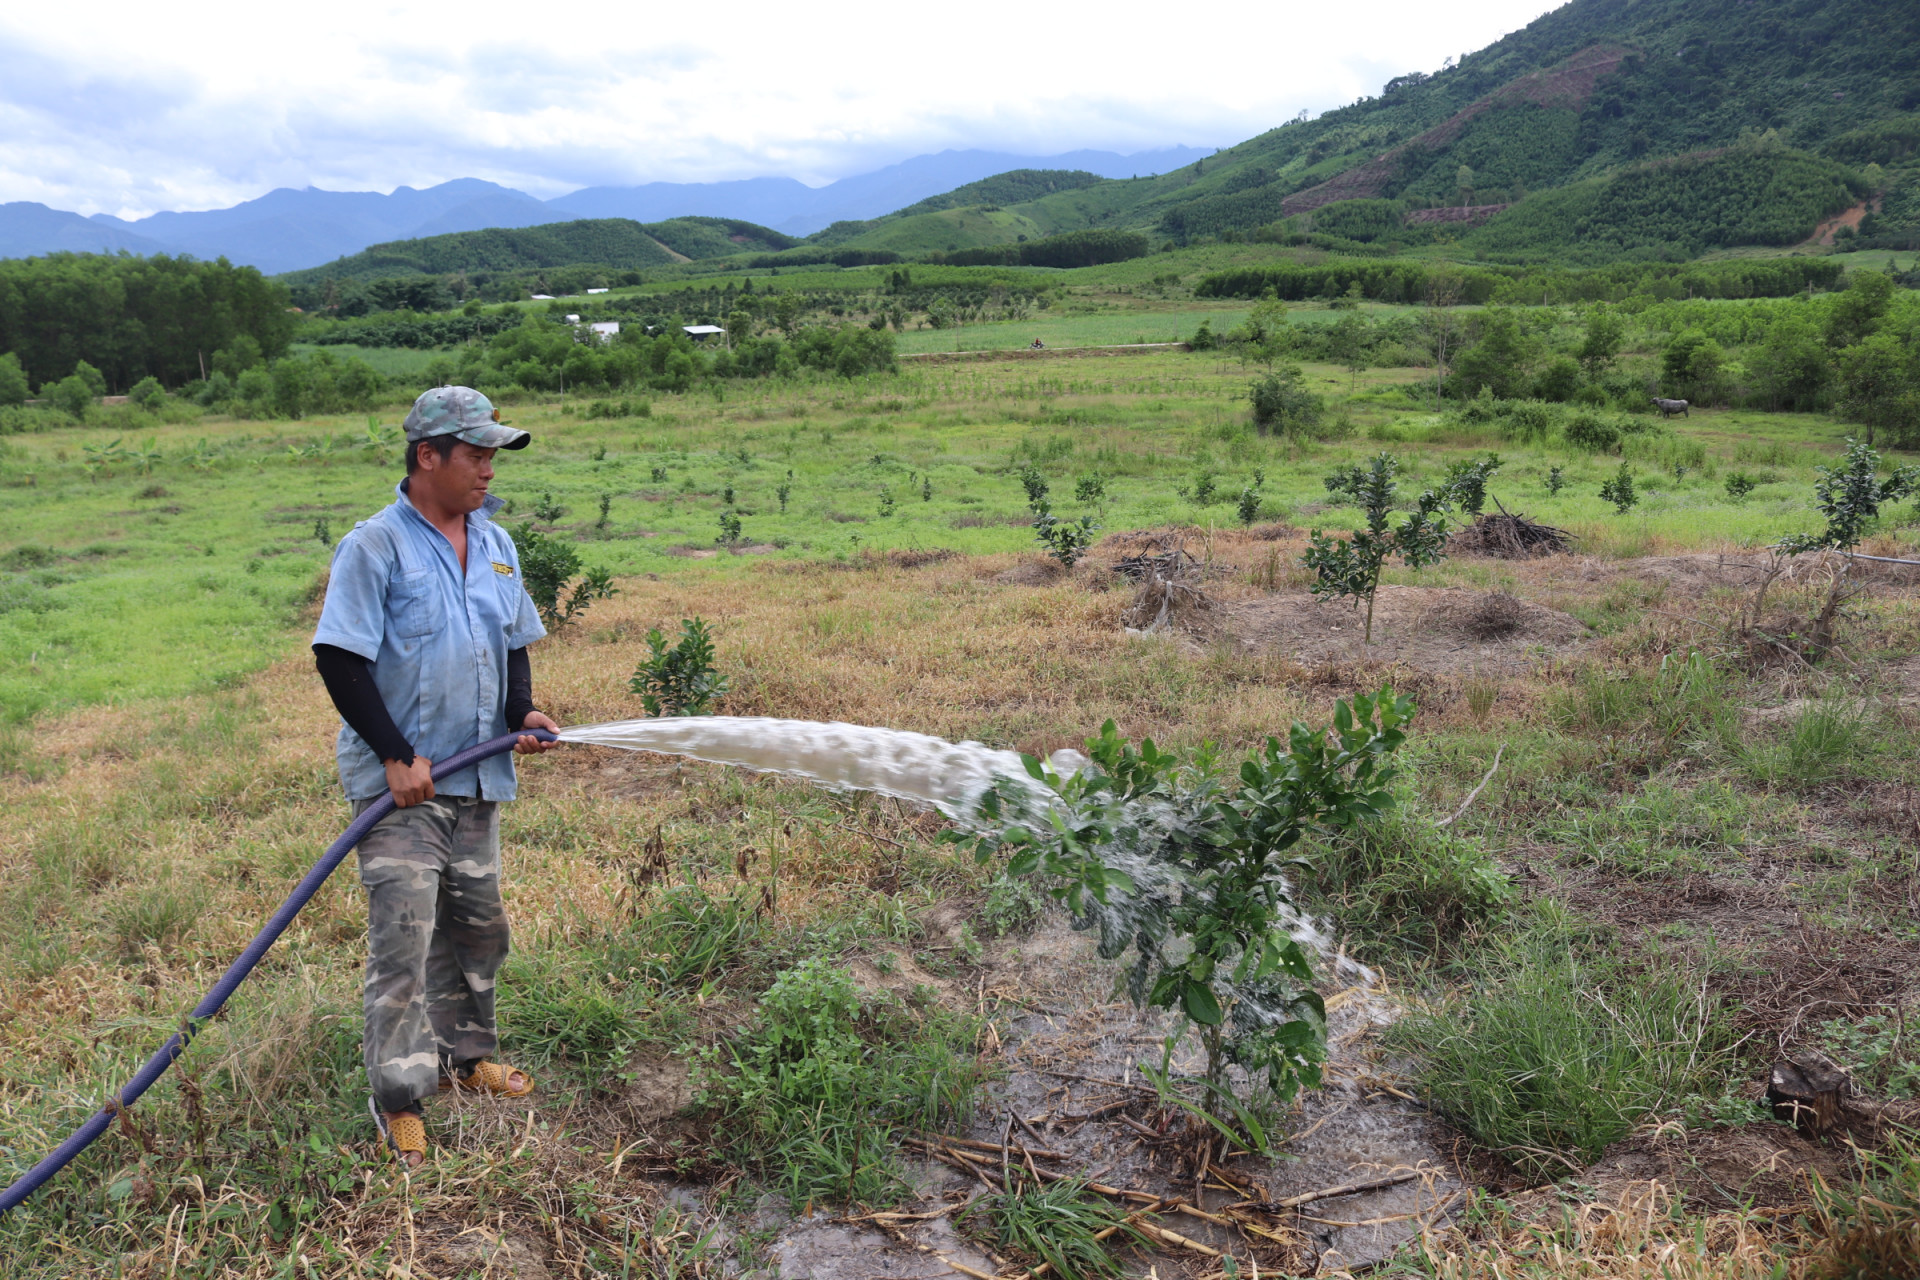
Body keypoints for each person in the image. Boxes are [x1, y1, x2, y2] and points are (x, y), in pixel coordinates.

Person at [311, 385, 560, 1168]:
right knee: (406, 939)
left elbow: (513, 637)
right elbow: (339, 657)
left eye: (493, 455)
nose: (489, 469)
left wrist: (521, 715)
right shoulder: (374, 546)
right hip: (404, 792)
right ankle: (400, 1098)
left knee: (478, 927)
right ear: (429, 456)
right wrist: (393, 754)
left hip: (478, 777)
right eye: (476, 454)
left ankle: (467, 1055)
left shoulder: (496, 541)